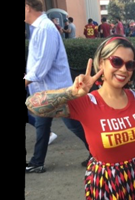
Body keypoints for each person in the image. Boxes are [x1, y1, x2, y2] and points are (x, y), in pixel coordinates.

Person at [26, 35, 135, 200]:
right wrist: (70, 93)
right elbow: (32, 105)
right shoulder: (87, 102)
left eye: (130, 65)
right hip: (107, 182)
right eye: (116, 62)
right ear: (101, 63)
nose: (123, 70)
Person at [24, 0, 90, 173]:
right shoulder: (39, 28)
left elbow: (42, 64)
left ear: (27, 7)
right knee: (42, 125)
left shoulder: (45, 28)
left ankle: (97, 153)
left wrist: (26, 80)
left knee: (73, 125)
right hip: (46, 91)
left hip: (58, 91)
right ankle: (37, 162)